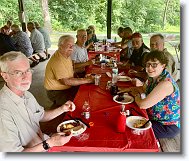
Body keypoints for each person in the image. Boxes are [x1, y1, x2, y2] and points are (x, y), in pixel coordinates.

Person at [0, 51, 74, 152]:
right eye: (18, 73)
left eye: (28, 70)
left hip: (42, 142)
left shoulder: (26, 94)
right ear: (5, 76)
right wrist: (50, 143)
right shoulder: (3, 111)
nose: (26, 77)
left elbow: (41, 115)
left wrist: (63, 108)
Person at [119, 50, 180, 138]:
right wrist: (127, 89)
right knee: (123, 115)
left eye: (154, 64)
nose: (150, 68)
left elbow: (142, 105)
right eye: (148, 64)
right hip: (153, 118)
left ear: (163, 65)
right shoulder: (153, 78)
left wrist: (136, 95)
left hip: (166, 125)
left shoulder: (165, 84)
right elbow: (142, 89)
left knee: (129, 129)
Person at [44, 35, 94, 107]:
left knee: (88, 91)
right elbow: (66, 81)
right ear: (60, 46)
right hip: (57, 93)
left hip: (66, 87)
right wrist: (87, 80)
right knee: (82, 102)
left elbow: (71, 70)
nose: (71, 48)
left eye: (73, 45)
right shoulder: (58, 60)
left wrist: (83, 78)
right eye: (69, 45)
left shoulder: (66, 55)